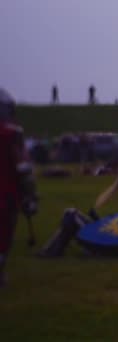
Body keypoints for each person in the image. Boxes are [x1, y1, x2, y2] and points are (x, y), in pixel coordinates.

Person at [0, 88, 38, 287]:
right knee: (4, 232)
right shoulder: (11, 134)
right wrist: (30, 197)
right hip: (6, 194)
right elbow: (22, 168)